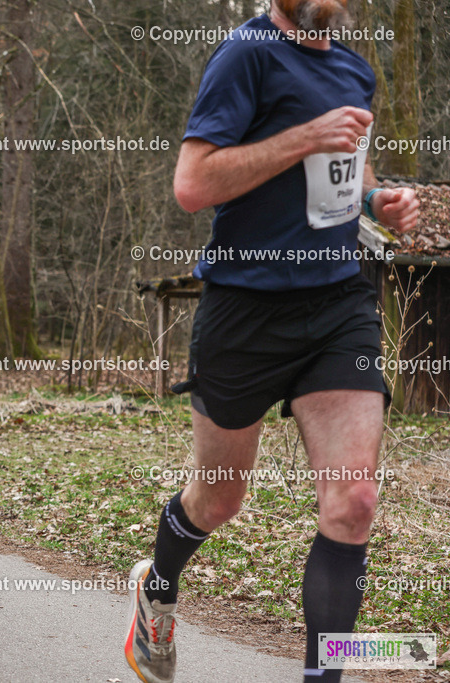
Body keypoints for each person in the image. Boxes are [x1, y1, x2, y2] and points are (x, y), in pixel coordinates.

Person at [124, 2, 419, 681]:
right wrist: (305, 135)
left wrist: (376, 202)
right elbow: (193, 184)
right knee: (219, 499)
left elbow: (349, 171)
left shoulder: (353, 69)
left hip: (339, 302)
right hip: (246, 311)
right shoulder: (246, 55)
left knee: (354, 501)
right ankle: (158, 587)